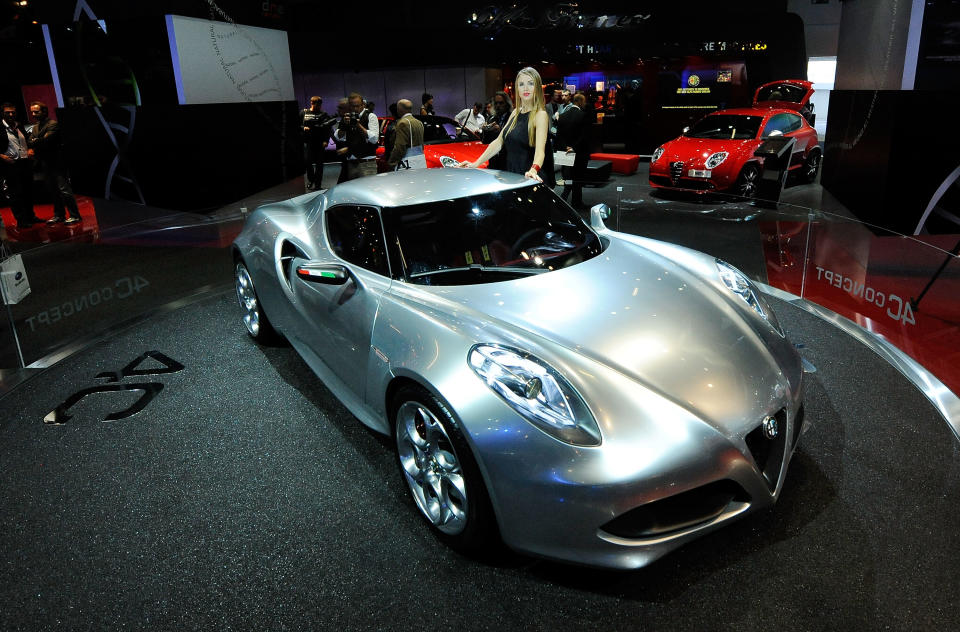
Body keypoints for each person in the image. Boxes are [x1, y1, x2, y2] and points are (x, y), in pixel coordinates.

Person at [459, 67, 553, 186]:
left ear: (537, 88)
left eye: (530, 83)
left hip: (529, 177)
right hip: (511, 175)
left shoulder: (540, 115)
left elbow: (540, 152)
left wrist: (533, 169)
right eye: (521, 84)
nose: (525, 88)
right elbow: (498, 142)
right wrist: (475, 164)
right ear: (517, 89)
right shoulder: (515, 113)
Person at [1, 102, 41, 229]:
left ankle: (31, 216)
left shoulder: (19, 125)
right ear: (2, 113)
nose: (11, 114)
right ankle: (21, 220)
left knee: (28, 191)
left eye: (13, 112)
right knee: (15, 193)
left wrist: (30, 149)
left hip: (25, 162)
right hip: (11, 164)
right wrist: (2, 156)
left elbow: (27, 141)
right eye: (8, 112)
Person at [557, 92, 592, 209]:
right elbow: (584, 136)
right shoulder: (583, 115)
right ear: (581, 102)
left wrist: (565, 147)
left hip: (564, 152)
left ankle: (562, 201)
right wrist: (573, 147)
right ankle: (576, 203)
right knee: (578, 179)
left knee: (567, 178)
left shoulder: (562, 116)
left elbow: (558, 136)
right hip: (579, 152)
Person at [334, 92, 379, 182]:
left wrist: (357, 124)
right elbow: (338, 136)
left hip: (367, 163)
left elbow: (374, 139)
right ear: (349, 106)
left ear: (363, 105)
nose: (355, 108)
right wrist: (345, 126)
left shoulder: (370, 116)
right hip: (351, 163)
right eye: (352, 106)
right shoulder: (347, 117)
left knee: (368, 190)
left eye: (357, 106)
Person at [300, 96, 333, 191]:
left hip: (319, 142)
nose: (314, 105)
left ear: (320, 104)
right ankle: (311, 180)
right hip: (307, 141)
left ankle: (318, 184)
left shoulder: (323, 114)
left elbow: (328, 129)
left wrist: (326, 140)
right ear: (311, 103)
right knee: (307, 162)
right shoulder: (304, 112)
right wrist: (303, 128)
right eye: (312, 103)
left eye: (317, 104)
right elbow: (297, 124)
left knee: (319, 165)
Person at [387, 99, 425, 169]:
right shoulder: (419, 122)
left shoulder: (403, 123)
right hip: (421, 160)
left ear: (399, 110)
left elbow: (400, 147)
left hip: (408, 163)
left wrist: (391, 162)